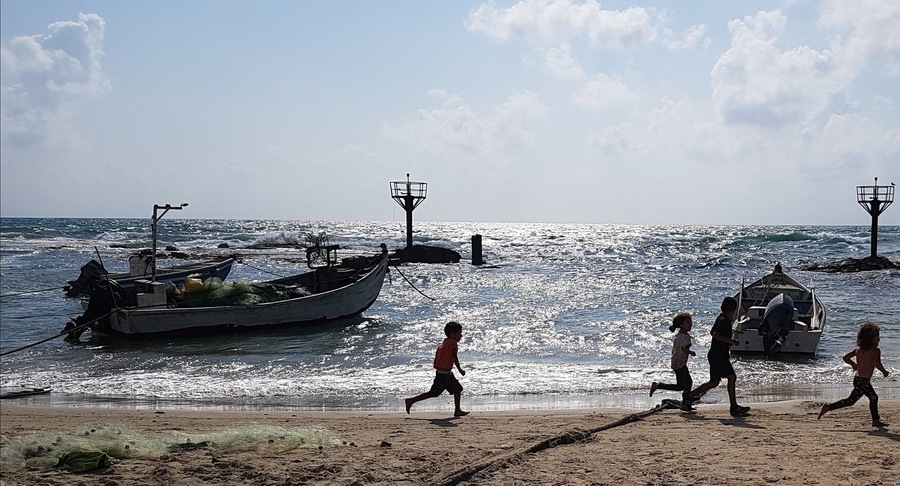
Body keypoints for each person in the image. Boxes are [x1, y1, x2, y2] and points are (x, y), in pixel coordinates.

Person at [818, 321, 890, 427]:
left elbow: (845, 358)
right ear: (870, 339)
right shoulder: (875, 351)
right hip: (863, 381)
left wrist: (853, 364)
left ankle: (875, 420)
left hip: (858, 379)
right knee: (863, 399)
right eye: (877, 337)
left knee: (862, 399)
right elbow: (877, 363)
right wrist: (884, 371)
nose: (879, 340)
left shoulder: (858, 350)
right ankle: (828, 407)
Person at [689, 296, 750, 417]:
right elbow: (715, 335)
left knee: (714, 382)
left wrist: (728, 341)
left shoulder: (720, 318)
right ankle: (734, 407)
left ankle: (688, 396)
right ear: (734, 310)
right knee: (731, 377)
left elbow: (712, 332)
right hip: (719, 355)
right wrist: (731, 342)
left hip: (716, 354)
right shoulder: (725, 321)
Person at [405, 321, 470, 417]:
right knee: (433, 393)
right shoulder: (452, 343)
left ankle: (457, 410)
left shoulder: (446, 341)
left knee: (457, 389)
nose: (461, 335)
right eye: (459, 333)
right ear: (452, 334)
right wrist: (460, 369)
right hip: (443, 374)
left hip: (446, 373)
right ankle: (410, 401)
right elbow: (454, 357)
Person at [650, 312, 697, 411]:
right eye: (687, 322)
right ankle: (658, 386)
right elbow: (685, 349)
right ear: (681, 325)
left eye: (690, 322)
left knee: (688, 382)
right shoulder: (685, 338)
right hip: (679, 363)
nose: (690, 324)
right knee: (681, 385)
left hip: (678, 362)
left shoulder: (679, 335)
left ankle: (686, 404)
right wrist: (691, 352)